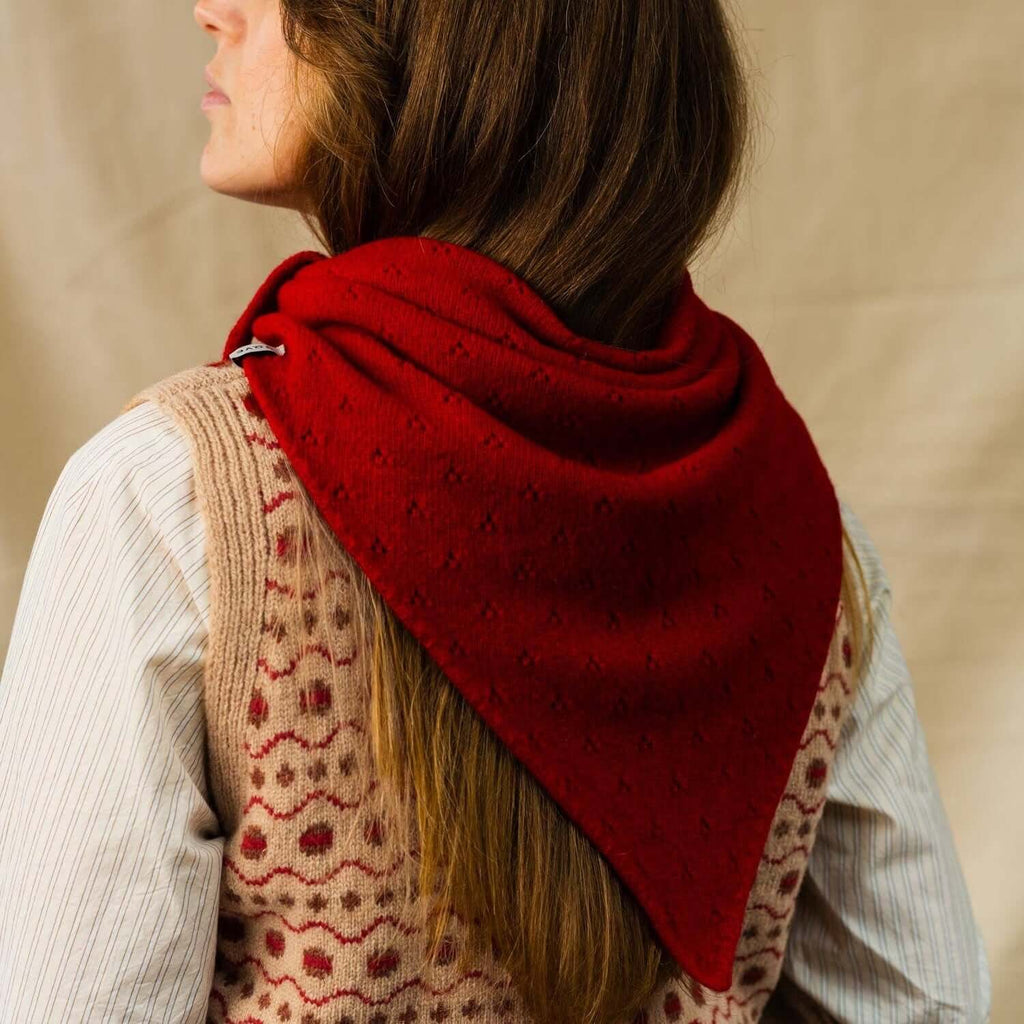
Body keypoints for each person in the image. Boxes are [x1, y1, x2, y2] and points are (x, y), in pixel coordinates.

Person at [0, 1, 991, 1022]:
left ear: (449, 42)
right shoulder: (796, 537)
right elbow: (920, 1000)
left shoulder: (172, 502)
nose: (212, 9)